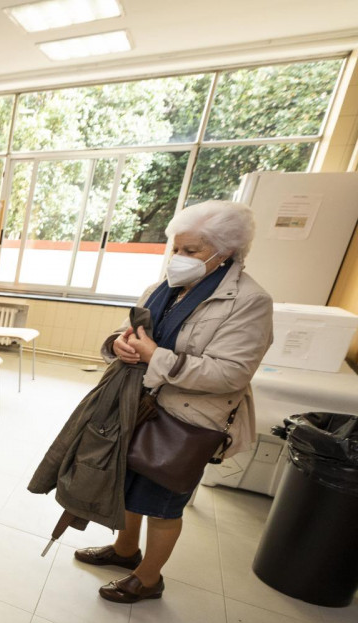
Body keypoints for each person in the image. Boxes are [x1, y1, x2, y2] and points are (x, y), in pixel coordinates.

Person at [75, 200, 273, 602]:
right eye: (177, 249)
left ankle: (149, 580)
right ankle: (126, 551)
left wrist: (155, 357)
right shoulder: (163, 289)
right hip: (140, 405)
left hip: (189, 420)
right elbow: (132, 329)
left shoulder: (249, 302)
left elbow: (230, 373)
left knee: (163, 501)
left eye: (191, 251)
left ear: (226, 252)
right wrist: (120, 344)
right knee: (128, 484)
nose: (178, 259)